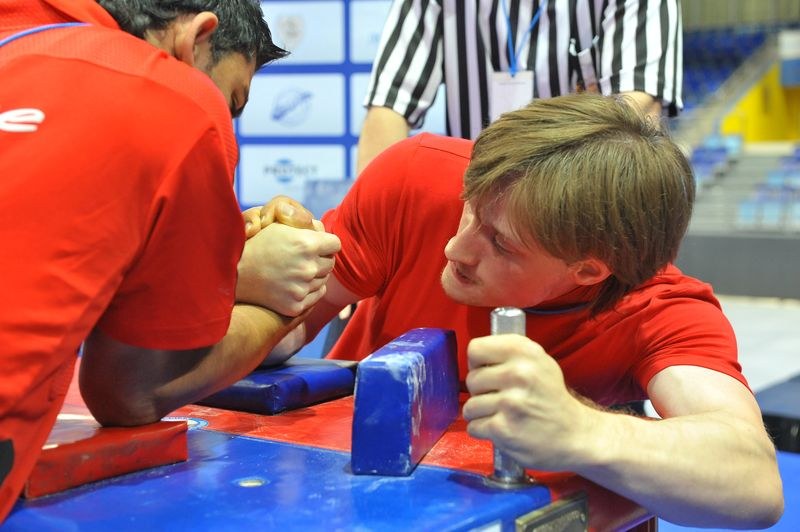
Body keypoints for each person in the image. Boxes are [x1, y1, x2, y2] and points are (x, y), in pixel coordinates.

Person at [261, 94, 784, 528]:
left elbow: (755, 484)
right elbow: (281, 330)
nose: (456, 249)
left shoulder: (658, 308)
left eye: (501, 243)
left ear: (589, 270)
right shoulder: (415, 177)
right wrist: (249, 280)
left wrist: (579, 430)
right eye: (469, 206)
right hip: (335, 497)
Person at [0, 0, 340, 521]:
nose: (223, 121)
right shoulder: (179, 101)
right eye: (230, 101)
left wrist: (227, 264)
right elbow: (127, 393)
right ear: (196, 38)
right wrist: (285, 303)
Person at [356, 0, 683, 174]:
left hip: (581, 207)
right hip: (474, 211)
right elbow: (388, 109)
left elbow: (637, 111)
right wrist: (373, 233)